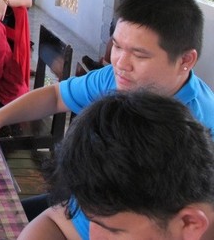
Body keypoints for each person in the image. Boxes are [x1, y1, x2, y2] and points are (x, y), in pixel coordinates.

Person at [0, 0, 214, 238]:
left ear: (185, 60)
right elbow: (54, 96)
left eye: (140, 55)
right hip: (80, 212)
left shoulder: (199, 130)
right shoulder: (118, 78)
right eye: (117, 46)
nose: (121, 63)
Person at [20, 91, 214, 240]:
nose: (91, 235)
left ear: (190, 224)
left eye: (113, 231)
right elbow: (57, 219)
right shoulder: (127, 197)